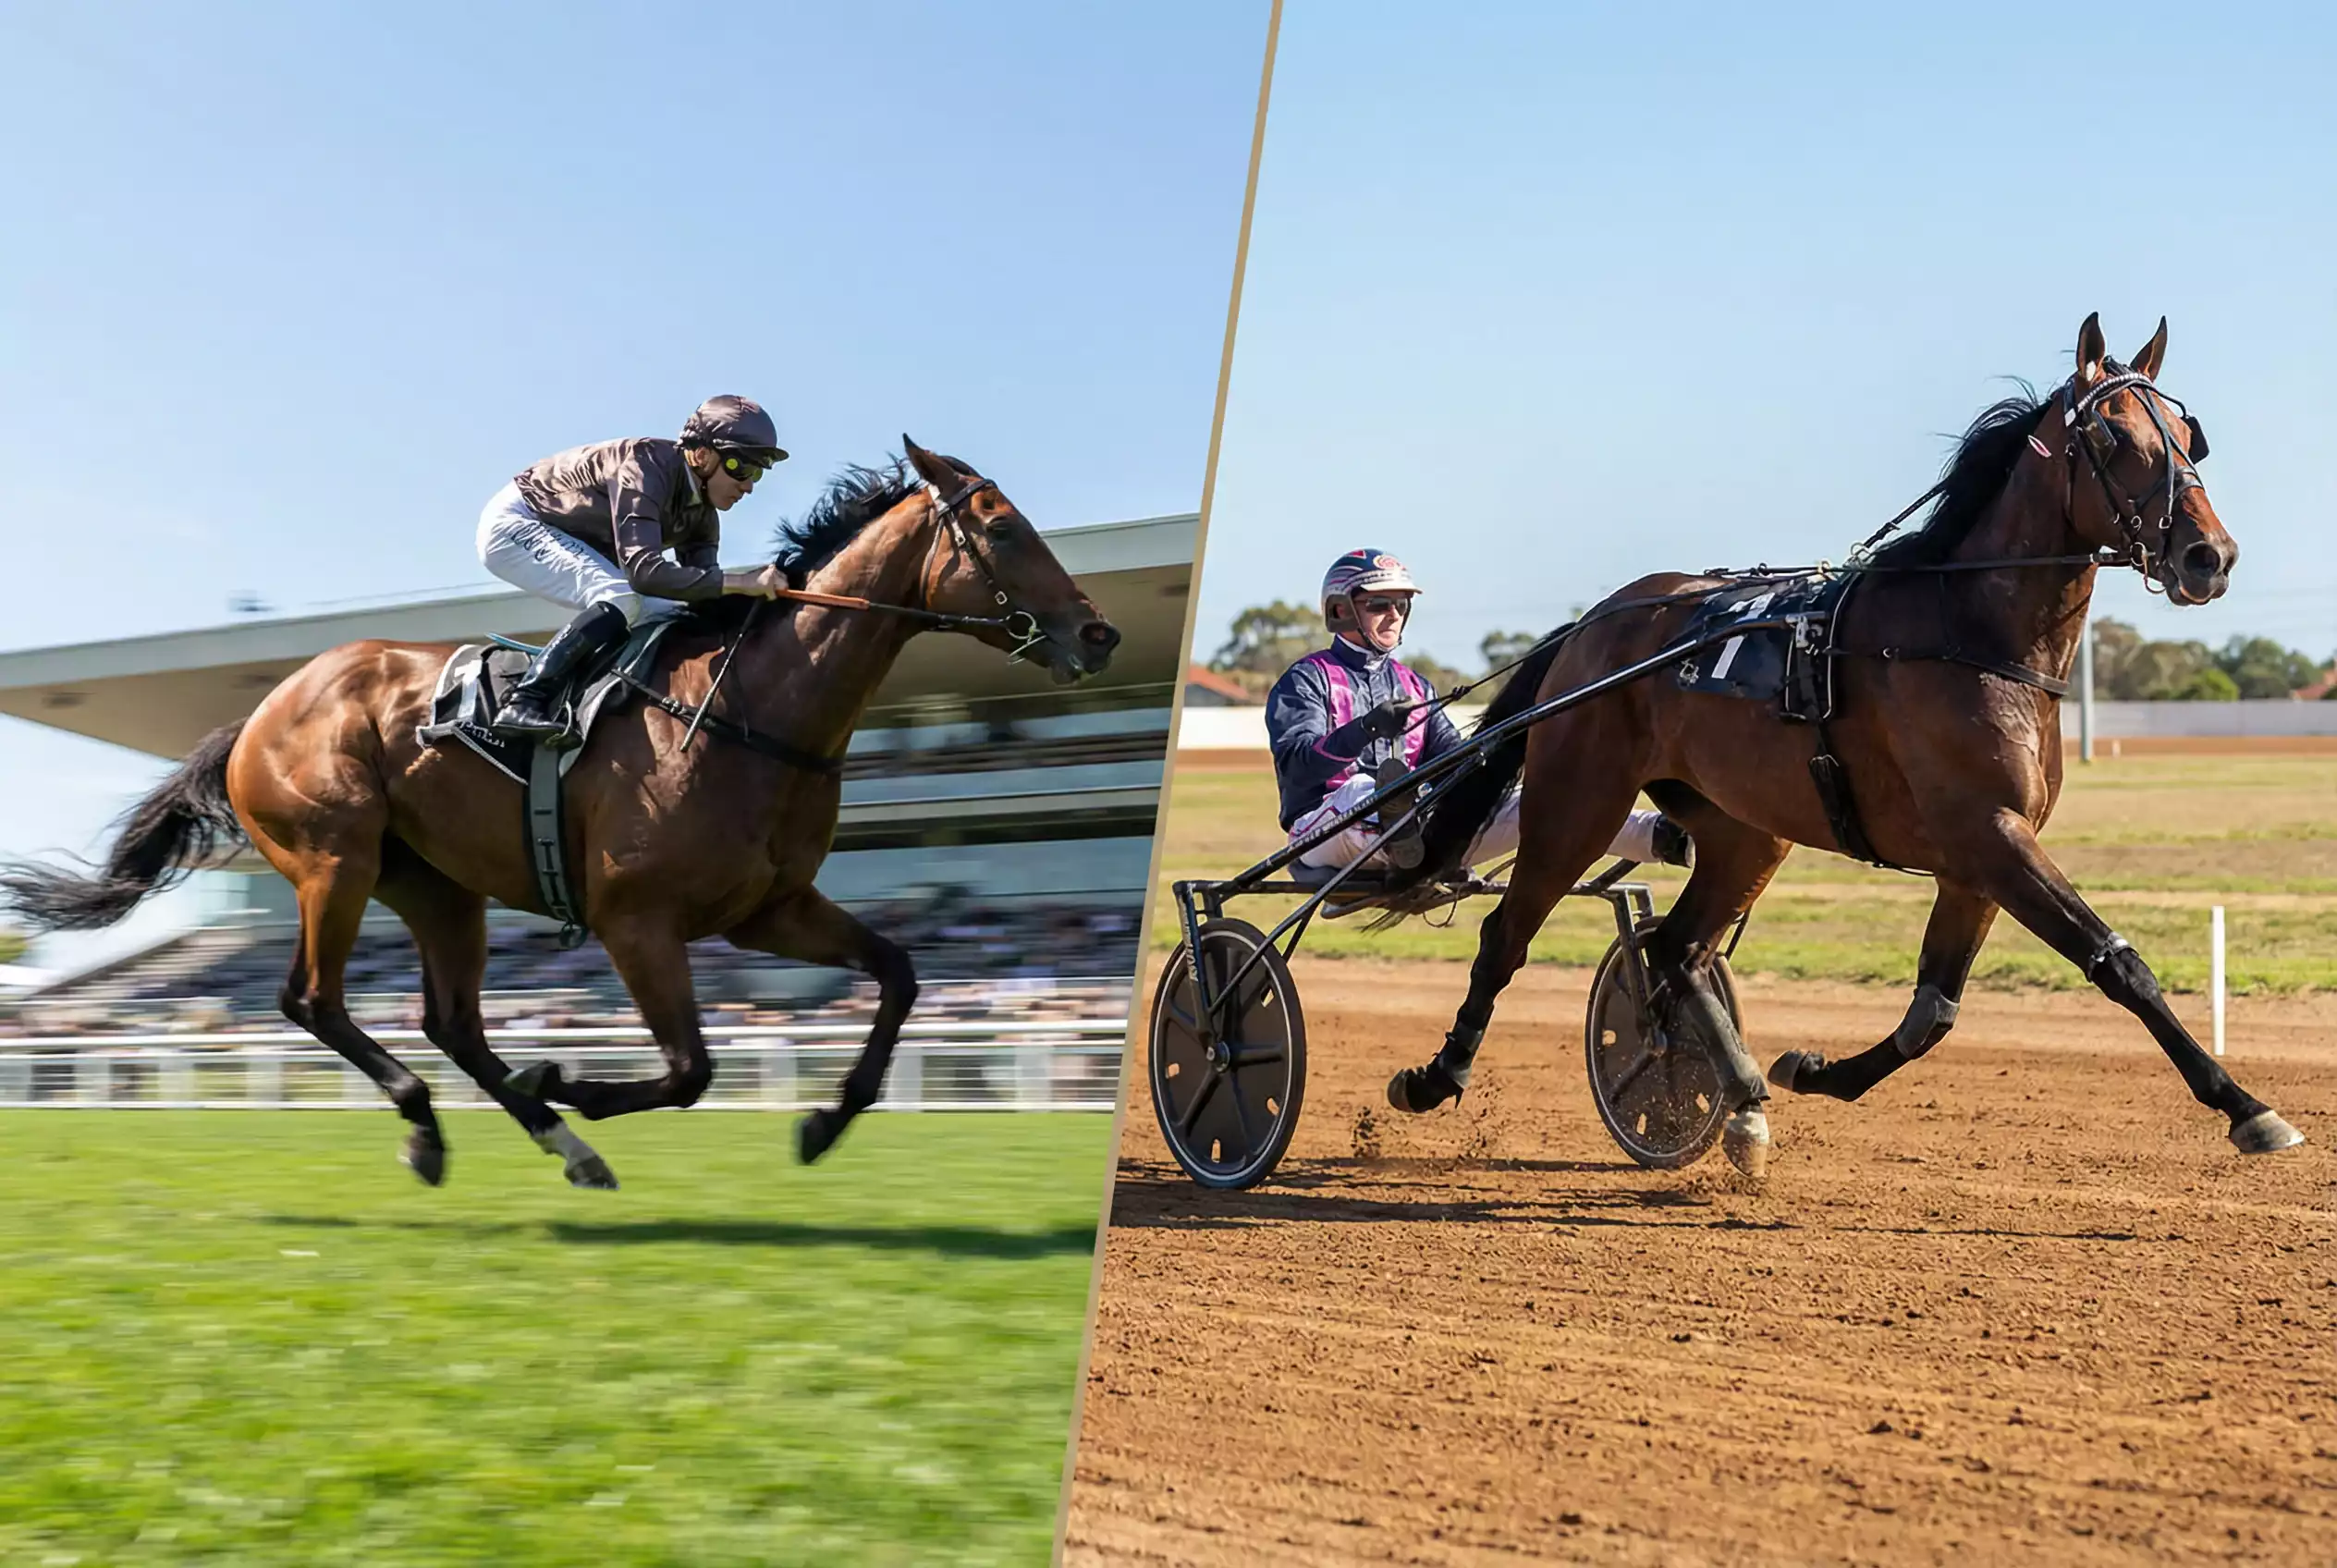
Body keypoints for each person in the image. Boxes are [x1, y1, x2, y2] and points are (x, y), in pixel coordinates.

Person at [1266, 548, 1690, 874]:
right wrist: (1368, 727)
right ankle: (1399, 827)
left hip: (1416, 827)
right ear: (1341, 610)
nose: (1393, 615)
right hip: (1320, 830)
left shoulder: (1414, 685)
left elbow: (1454, 765)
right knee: (1366, 790)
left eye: (1401, 605)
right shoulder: (1306, 680)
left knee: (1539, 802)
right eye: (1379, 605)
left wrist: (1515, 739)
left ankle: (1666, 837)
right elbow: (1298, 767)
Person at [477, 395, 794, 740]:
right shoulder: (644, 466)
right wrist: (741, 582)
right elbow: (645, 573)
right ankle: (523, 701)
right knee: (621, 597)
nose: (748, 485)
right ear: (702, 454)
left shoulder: (703, 516)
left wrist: (762, 602)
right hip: (518, 522)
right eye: (741, 467)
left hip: (569, 536)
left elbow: (701, 594)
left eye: (757, 473)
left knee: (671, 613)